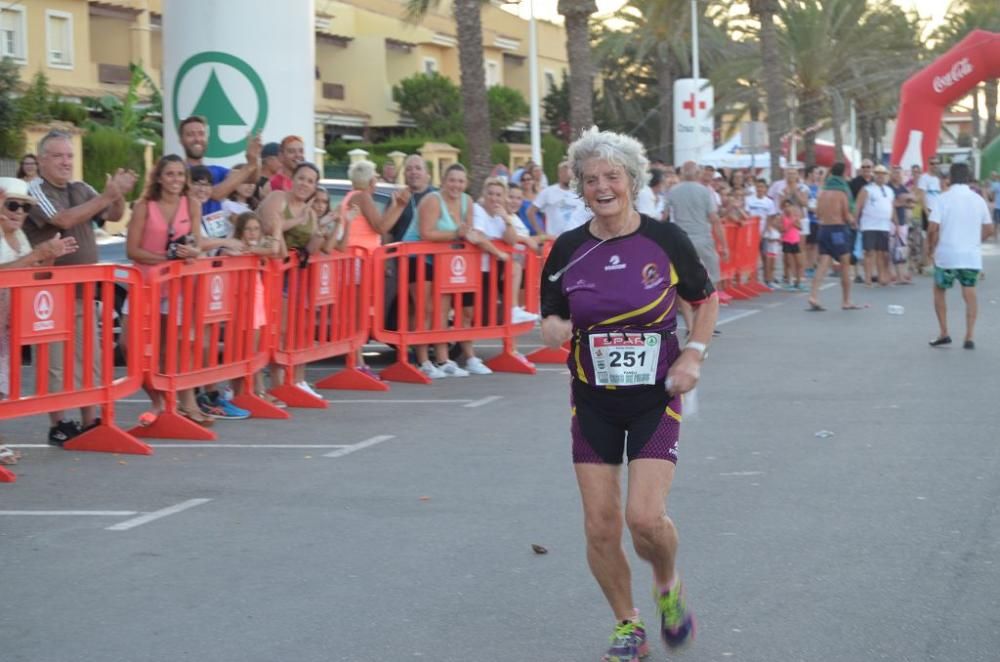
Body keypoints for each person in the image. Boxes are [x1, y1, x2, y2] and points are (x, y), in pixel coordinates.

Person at [540, 128, 717, 661]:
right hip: (592, 399)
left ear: (632, 181)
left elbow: (703, 300)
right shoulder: (568, 249)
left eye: (612, 176)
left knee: (644, 518)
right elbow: (552, 312)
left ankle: (667, 586)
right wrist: (551, 327)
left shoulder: (665, 240)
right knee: (599, 524)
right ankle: (627, 625)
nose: (602, 186)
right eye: (591, 179)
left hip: (654, 397)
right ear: (580, 188)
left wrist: (694, 353)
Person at [24, 130, 136, 446]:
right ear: (42, 159)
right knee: (55, 361)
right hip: (49, 292)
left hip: (85, 289)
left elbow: (113, 215)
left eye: (69, 155)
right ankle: (59, 424)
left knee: (91, 357)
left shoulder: (81, 187)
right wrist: (105, 196)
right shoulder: (36, 189)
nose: (65, 162)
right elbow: (61, 220)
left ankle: (90, 421)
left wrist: (118, 194)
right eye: (58, 155)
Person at [124, 154, 218, 426]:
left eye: (180, 174)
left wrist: (192, 252)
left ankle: (180, 405)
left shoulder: (191, 205)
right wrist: (167, 257)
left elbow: (198, 245)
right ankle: (159, 400)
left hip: (176, 287)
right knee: (129, 346)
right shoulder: (144, 206)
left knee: (172, 349)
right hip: (145, 283)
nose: (176, 180)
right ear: (159, 177)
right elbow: (133, 250)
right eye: (170, 174)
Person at [0, 179, 78, 465]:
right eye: (12, 204)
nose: (19, 211)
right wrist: (37, 254)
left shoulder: (18, 236)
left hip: (7, 327)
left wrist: (49, 258)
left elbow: (32, 273)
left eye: (24, 207)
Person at [258, 162, 325, 397]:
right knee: (279, 330)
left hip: (296, 275)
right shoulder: (278, 198)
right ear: (292, 179)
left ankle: (297, 379)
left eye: (310, 181)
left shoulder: (311, 213)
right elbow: (269, 227)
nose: (304, 184)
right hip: (268, 271)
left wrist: (321, 233)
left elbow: (312, 248)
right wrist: (297, 222)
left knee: (299, 330)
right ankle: (277, 384)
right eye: (302, 178)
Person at [927, 162, 994, 350]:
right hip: (970, 256)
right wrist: (975, 241)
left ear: (950, 178)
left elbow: (932, 227)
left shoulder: (943, 198)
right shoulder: (978, 200)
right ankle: (969, 336)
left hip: (946, 255)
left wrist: (930, 248)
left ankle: (944, 332)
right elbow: (989, 228)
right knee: (969, 292)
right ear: (968, 178)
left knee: (940, 290)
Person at [665, 161, 729, 331]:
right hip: (702, 239)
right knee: (709, 281)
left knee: (683, 282)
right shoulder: (705, 191)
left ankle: (690, 324)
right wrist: (724, 245)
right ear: (698, 173)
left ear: (682, 173)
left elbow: (664, 216)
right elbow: (714, 219)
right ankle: (706, 323)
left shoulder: (673, 191)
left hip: (680, 240)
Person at [178, 116, 260, 215]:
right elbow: (216, 193)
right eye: (190, 135)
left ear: (207, 138)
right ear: (181, 140)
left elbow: (251, 179)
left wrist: (255, 159)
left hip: (216, 230)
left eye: (201, 134)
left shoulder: (216, 170)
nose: (197, 139)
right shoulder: (179, 172)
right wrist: (250, 166)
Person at [807, 162, 859, 311]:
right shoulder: (842, 192)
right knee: (845, 265)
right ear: (843, 174)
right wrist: (853, 222)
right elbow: (846, 214)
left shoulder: (823, 192)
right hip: (838, 230)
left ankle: (814, 295)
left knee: (823, 265)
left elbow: (817, 213)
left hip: (823, 229)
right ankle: (846, 300)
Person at [854, 164, 894, 287]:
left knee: (883, 253)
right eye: (877, 174)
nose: (880, 177)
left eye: (882, 174)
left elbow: (891, 207)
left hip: (884, 226)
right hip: (869, 225)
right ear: (874, 175)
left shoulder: (889, 190)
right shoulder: (867, 189)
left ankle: (882, 277)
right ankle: (868, 278)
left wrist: (895, 223)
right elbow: (858, 205)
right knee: (869, 252)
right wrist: (855, 220)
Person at [529, 161, 589, 237]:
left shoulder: (581, 193)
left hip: (579, 238)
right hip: (555, 239)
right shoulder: (548, 192)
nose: (566, 175)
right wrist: (540, 232)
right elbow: (530, 212)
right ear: (558, 173)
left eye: (568, 172)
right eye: (563, 172)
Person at [888, 165, 913, 284]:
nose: (896, 175)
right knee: (890, 248)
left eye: (898, 173)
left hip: (903, 222)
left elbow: (912, 202)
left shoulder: (902, 188)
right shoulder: (888, 187)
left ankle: (901, 275)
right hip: (891, 222)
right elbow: (892, 204)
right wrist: (901, 201)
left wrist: (903, 199)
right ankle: (892, 275)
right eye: (894, 173)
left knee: (901, 249)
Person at [779, 200, 804, 289]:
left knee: (799, 263)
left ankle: (798, 281)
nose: (787, 208)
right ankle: (789, 281)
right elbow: (782, 230)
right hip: (786, 241)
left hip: (795, 241)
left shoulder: (796, 217)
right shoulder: (782, 217)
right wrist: (787, 226)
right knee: (789, 262)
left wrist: (795, 223)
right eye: (785, 206)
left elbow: (800, 228)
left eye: (789, 206)